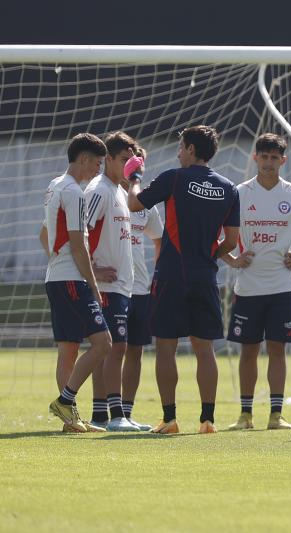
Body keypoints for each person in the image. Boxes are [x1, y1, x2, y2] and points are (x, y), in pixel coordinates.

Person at [127, 125, 240, 434]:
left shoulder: (174, 178)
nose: (178, 153)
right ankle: (208, 420)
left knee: (166, 347)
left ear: (191, 149)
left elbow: (134, 204)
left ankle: (170, 419)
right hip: (205, 277)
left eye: (180, 147)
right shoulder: (229, 188)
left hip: (171, 275)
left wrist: (134, 178)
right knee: (205, 349)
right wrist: (209, 257)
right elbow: (232, 241)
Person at [223, 133, 291, 431]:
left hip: (282, 287)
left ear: (283, 160)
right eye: (264, 156)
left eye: (274, 158)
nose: (268, 163)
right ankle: (245, 415)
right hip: (248, 287)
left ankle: (276, 415)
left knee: (277, 349)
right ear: (255, 157)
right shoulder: (239, 194)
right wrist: (232, 260)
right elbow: (215, 236)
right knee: (248, 350)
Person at [44, 133, 112, 433]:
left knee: (69, 349)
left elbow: (44, 233)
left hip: (56, 277)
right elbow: (77, 244)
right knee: (103, 343)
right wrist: (93, 285)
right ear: (83, 159)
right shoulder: (74, 192)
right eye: (97, 163)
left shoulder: (55, 185)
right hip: (71, 279)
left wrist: (54, 259)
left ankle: (70, 420)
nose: (99, 169)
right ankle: (65, 401)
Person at [82, 131, 139, 432]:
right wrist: (93, 270)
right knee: (116, 347)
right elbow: (81, 230)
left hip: (121, 285)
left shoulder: (119, 190)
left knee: (110, 348)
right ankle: (117, 415)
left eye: (132, 160)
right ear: (108, 159)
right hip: (106, 286)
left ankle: (101, 415)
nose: (129, 164)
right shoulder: (100, 189)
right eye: (124, 159)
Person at [120, 146, 163, 430]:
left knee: (136, 351)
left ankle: (125, 413)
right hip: (113, 287)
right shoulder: (105, 194)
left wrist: (156, 277)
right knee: (110, 349)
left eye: (137, 163)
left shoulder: (145, 203)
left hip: (140, 290)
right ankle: (104, 413)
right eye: (127, 161)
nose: (133, 167)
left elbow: (159, 240)